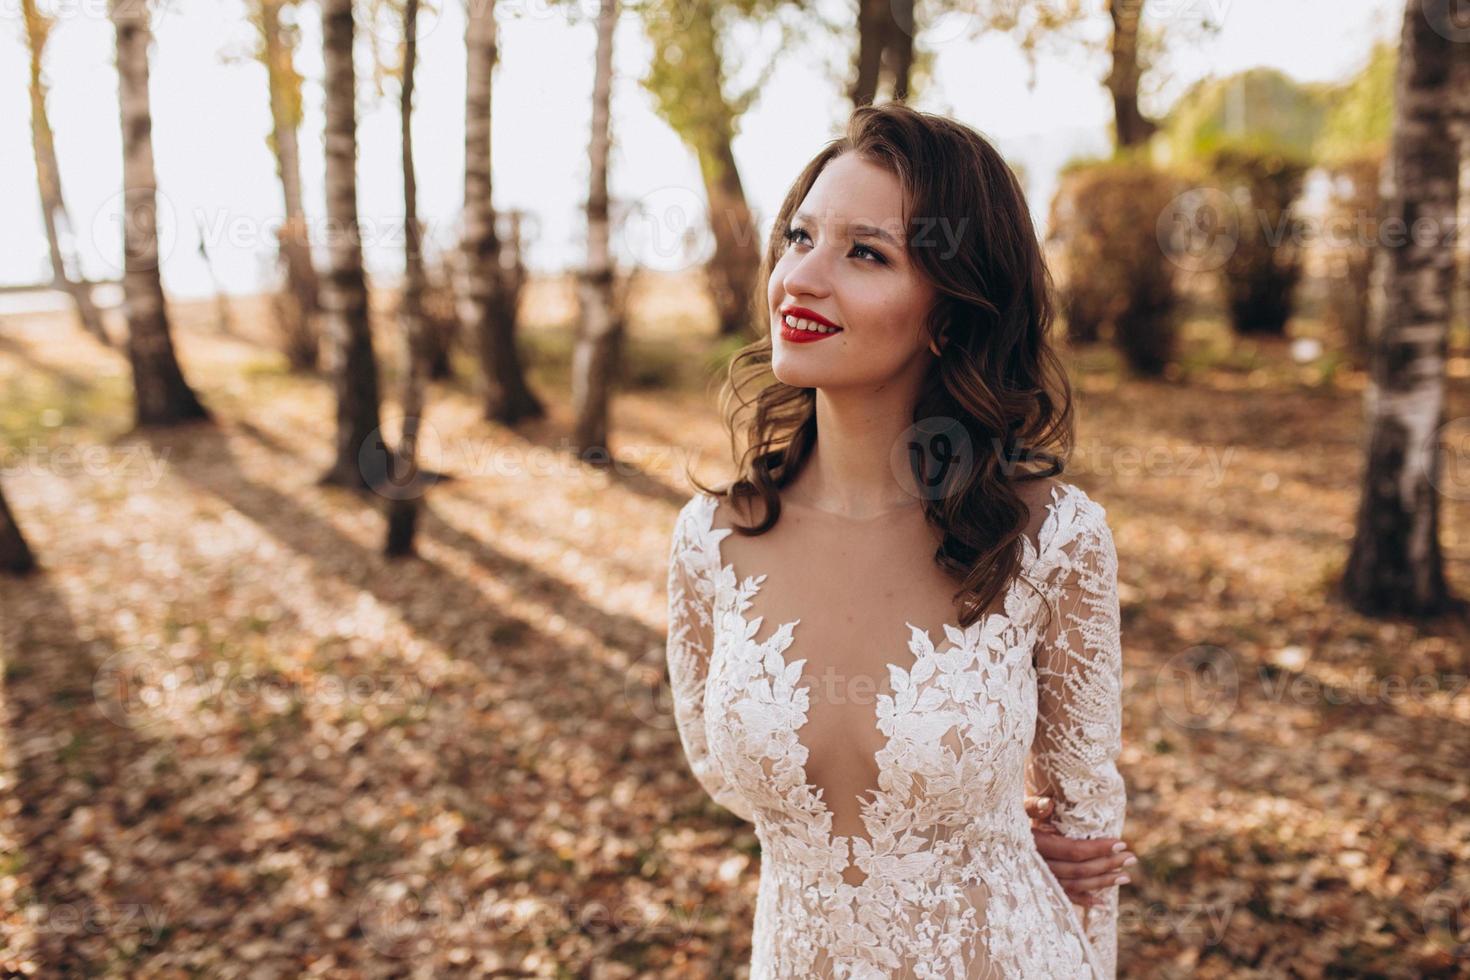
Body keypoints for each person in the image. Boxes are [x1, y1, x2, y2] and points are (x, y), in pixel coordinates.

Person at [664, 102, 1136, 978]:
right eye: (800, 237)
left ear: (949, 315)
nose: (801, 278)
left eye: (865, 253)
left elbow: (1087, 832)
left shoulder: (1051, 539)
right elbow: (722, 767)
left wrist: (987, 831)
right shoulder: (713, 540)